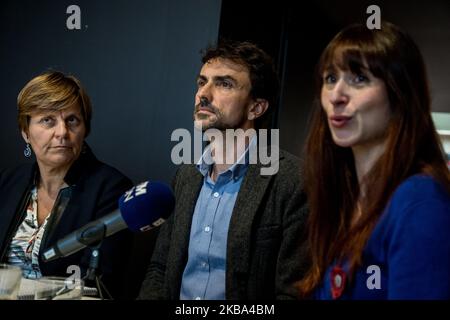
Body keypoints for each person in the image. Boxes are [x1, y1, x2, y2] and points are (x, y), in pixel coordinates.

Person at [138, 40, 309, 300]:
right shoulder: (186, 176)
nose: (203, 94)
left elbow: (293, 293)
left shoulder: (293, 180)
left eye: (223, 84)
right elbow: (160, 269)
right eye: (201, 82)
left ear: (256, 107)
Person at [298, 21, 450, 299]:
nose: (336, 95)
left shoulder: (419, 200)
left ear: (399, 95)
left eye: (359, 78)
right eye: (330, 78)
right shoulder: (345, 198)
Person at [0, 71, 134, 299]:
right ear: (25, 131)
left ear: (85, 129)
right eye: (48, 120)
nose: (62, 132)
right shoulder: (8, 181)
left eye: (72, 120)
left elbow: (95, 285)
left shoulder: (111, 189)